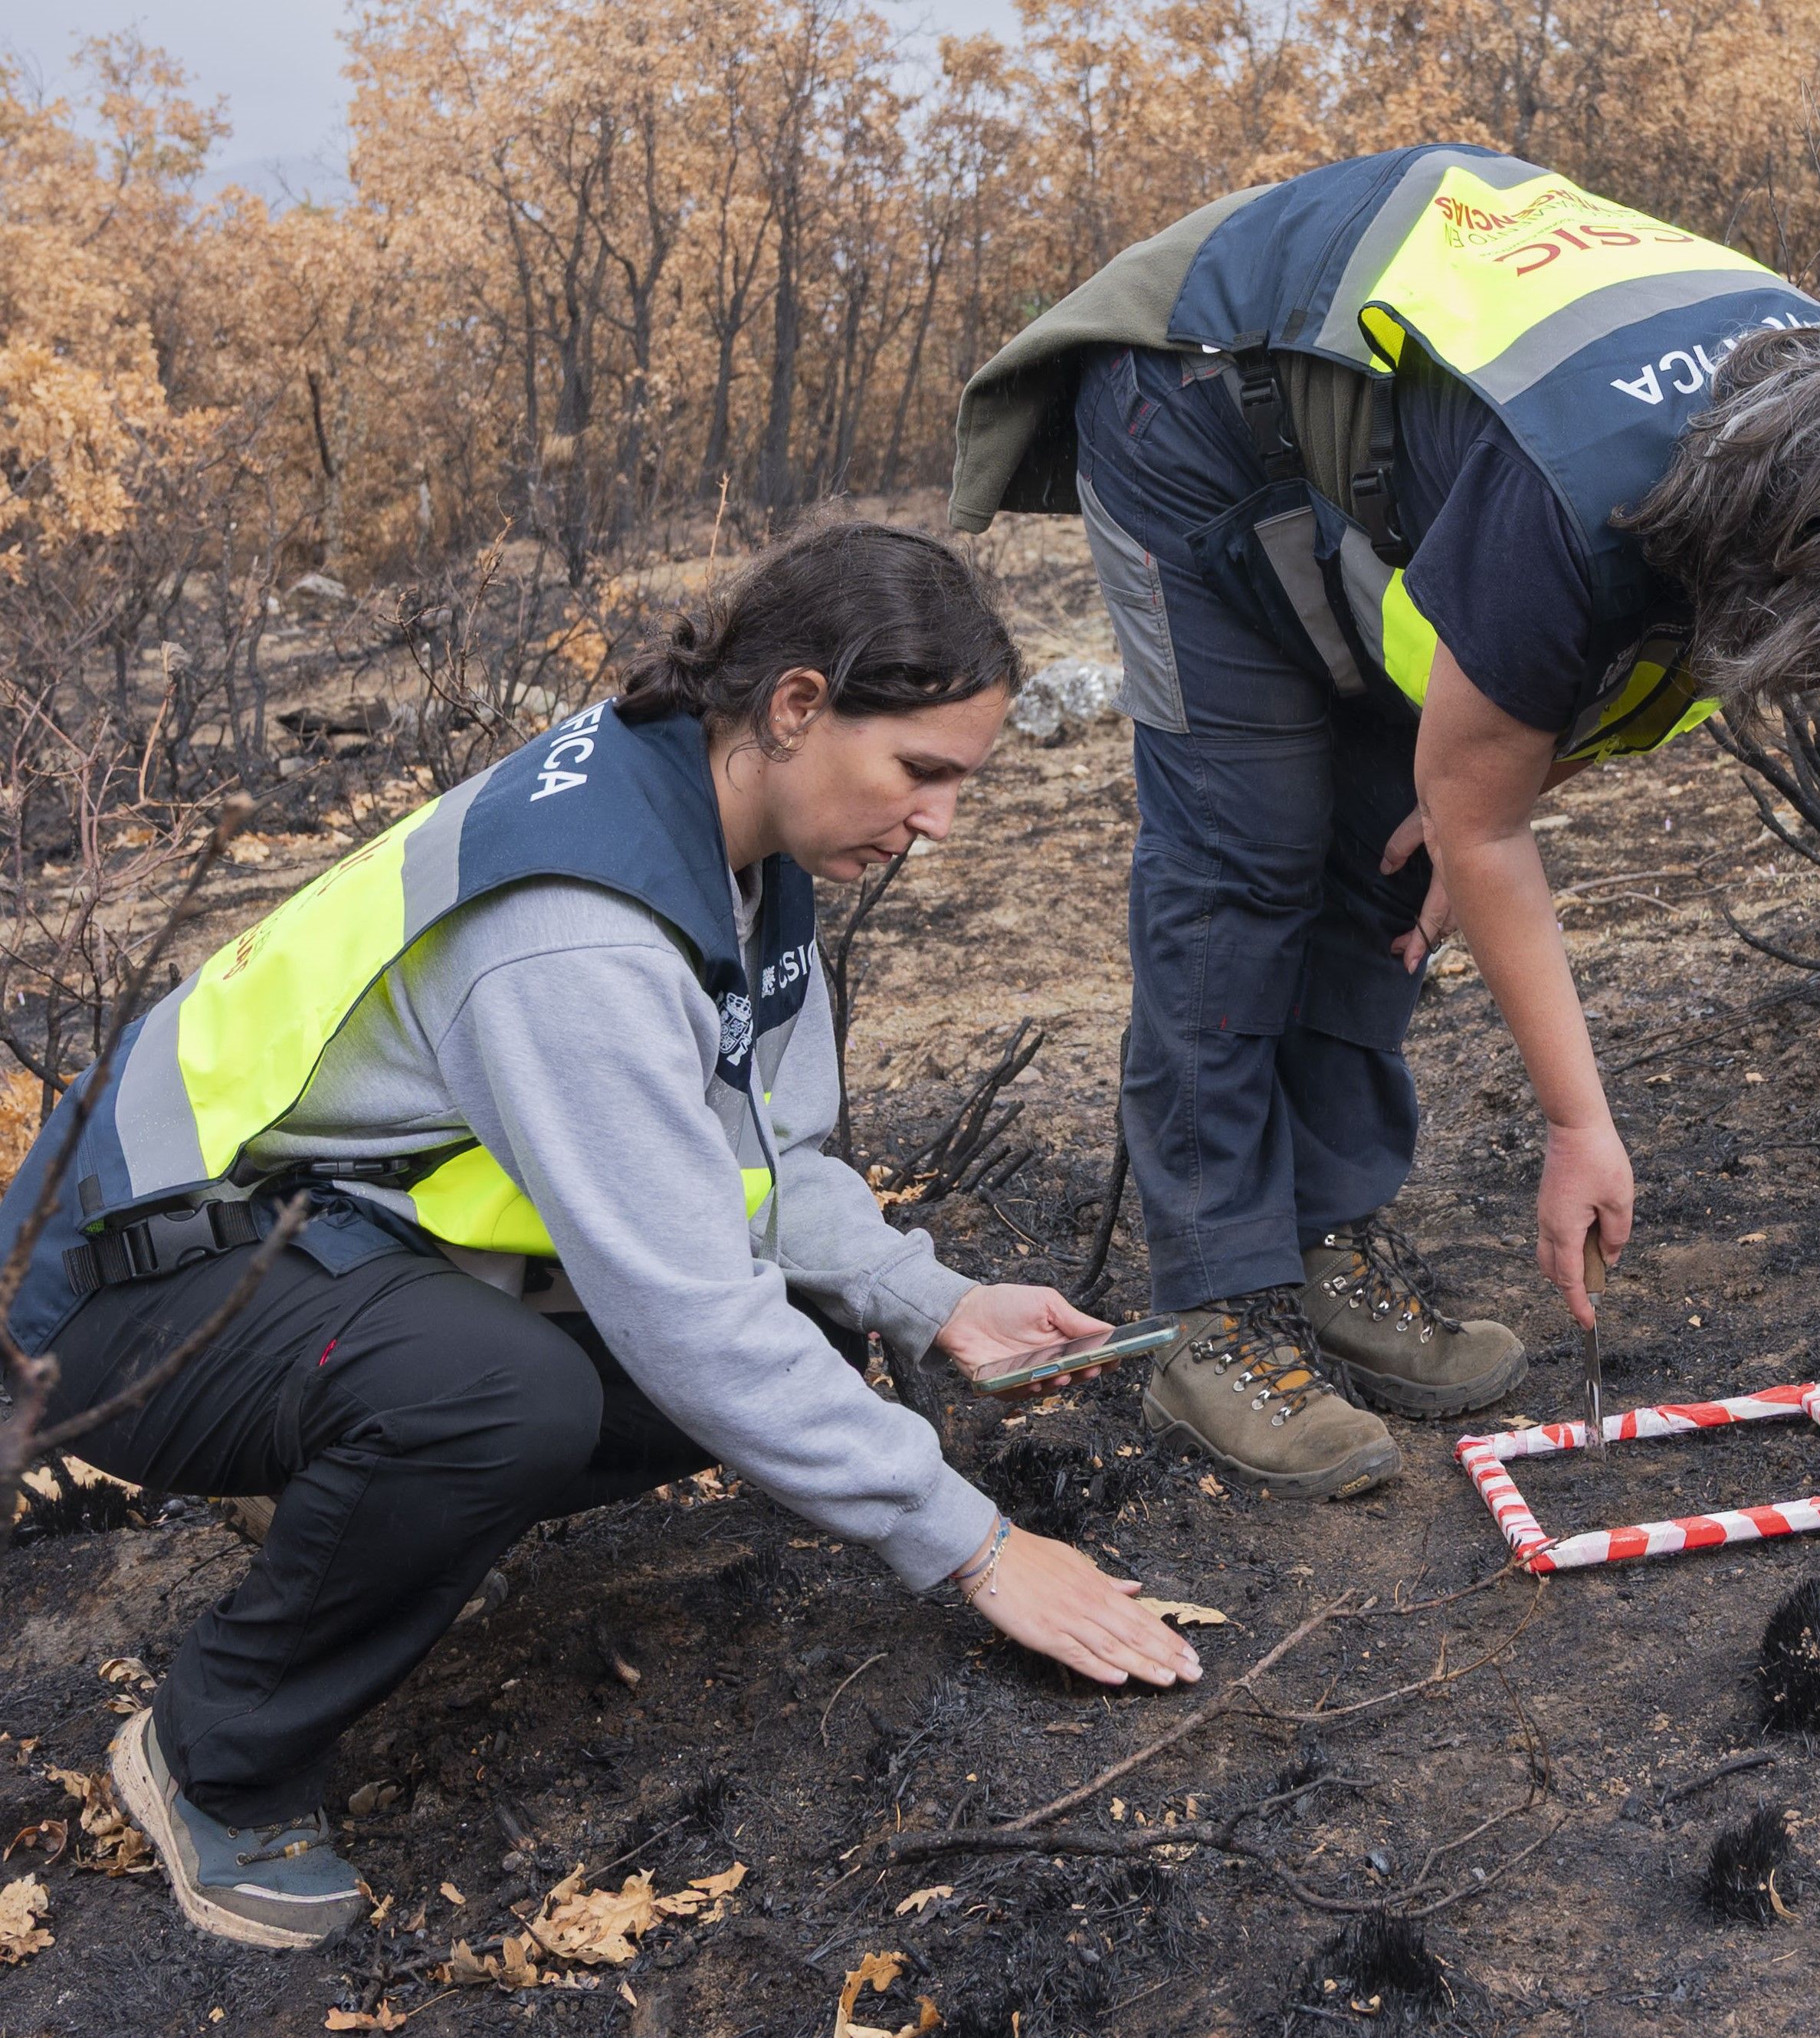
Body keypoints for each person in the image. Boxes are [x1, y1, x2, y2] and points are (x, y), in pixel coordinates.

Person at [0, 520, 1200, 1952]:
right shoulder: (581, 928)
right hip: (116, 1290)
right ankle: (215, 1758)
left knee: (808, 1327)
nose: (939, 821)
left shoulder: (735, 832)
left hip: (309, 1244)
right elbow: (690, 1315)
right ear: (797, 705)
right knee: (505, 1398)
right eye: (921, 772)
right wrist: (983, 1549)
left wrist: (925, 1297)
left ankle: (335, 1467)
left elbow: (757, 1164)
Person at [949, 143, 1820, 1499]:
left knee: (1380, 849)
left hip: (1384, 440)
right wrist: (1577, 1123)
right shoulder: (1580, 494)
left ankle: (1327, 1237)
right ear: (1774, 543)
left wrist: (1465, 811)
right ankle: (1216, 1312)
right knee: (1243, 862)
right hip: (1192, 405)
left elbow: (1525, 754)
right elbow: (1491, 823)